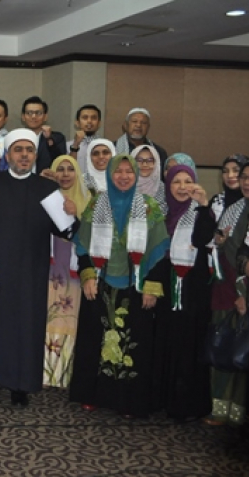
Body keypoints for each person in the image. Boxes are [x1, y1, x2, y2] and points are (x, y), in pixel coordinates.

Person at [0, 129, 78, 407]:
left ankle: (20, 384)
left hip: (29, 272)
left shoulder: (47, 188)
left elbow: (67, 231)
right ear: (7, 154)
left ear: (35, 156)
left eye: (29, 150)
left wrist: (73, 214)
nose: (24, 155)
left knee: (24, 327)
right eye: (18, 150)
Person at [69, 154, 169, 418]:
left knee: (133, 342)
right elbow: (82, 246)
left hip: (136, 285)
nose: (123, 176)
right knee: (97, 339)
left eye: (129, 171)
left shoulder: (149, 206)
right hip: (101, 283)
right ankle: (93, 394)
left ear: (137, 175)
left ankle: (128, 399)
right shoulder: (96, 204)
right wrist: (88, 275)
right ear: (110, 175)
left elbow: (161, 250)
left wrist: (151, 286)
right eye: (118, 171)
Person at [152, 164, 213, 421]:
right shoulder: (160, 213)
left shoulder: (201, 213)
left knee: (189, 346)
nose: (182, 187)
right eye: (176, 182)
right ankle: (163, 400)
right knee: (166, 342)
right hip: (166, 288)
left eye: (187, 181)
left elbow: (202, 240)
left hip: (192, 291)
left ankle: (186, 404)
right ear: (168, 186)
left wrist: (204, 206)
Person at [196, 159, 249, 426]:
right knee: (223, 344)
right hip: (224, 287)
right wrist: (218, 241)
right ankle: (220, 410)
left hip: (243, 291)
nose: (246, 182)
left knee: (242, 348)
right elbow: (223, 249)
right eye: (245, 177)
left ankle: (239, 412)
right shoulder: (234, 209)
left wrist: (243, 294)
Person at [42, 155, 90, 388]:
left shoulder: (89, 201)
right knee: (47, 317)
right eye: (59, 169)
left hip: (74, 275)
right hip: (48, 272)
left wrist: (76, 215)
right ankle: (43, 372)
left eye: (70, 169)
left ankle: (64, 374)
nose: (65, 174)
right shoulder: (46, 198)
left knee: (69, 319)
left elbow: (92, 239)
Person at [114, 108, 168, 177]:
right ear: (126, 125)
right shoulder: (112, 149)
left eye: (143, 123)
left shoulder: (159, 152)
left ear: (148, 127)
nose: (138, 125)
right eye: (134, 121)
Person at [19, 96, 66, 173]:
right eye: (29, 113)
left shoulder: (57, 138)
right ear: (23, 117)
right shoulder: (16, 137)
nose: (34, 116)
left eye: (38, 113)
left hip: (47, 181)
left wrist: (49, 139)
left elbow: (61, 162)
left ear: (45, 117)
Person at [66, 104, 102, 171]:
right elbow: (67, 170)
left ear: (99, 123)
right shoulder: (67, 146)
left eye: (93, 118)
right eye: (85, 118)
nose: (89, 121)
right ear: (77, 123)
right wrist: (75, 145)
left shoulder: (106, 146)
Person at [133, 144, 167, 213]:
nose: (145, 164)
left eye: (150, 160)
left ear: (156, 163)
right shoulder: (124, 187)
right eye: (139, 160)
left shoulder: (164, 190)